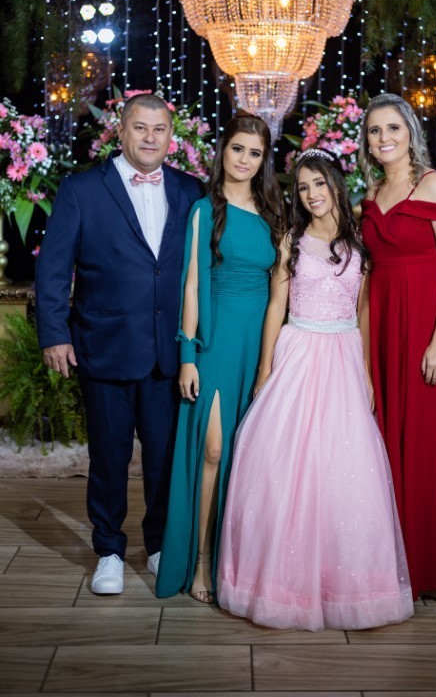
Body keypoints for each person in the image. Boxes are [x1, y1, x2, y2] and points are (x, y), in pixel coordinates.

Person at [216, 148, 414, 631]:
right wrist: (265, 368)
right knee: (282, 461)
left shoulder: (360, 240)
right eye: (303, 187)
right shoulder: (291, 239)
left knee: (345, 467)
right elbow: (276, 304)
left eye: (318, 183)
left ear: (335, 184)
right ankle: (280, 585)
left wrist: (366, 371)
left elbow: (363, 309)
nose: (311, 194)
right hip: (299, 350)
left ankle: (344, 585)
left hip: (343, 354)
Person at [34, 92, 204, 595]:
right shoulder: (82, 189)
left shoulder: (191, 189)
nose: (151, 138)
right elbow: (53, 267)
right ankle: (108, 550)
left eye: (160, 129)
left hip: (168, 351)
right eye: (141, 128)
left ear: (171, 136)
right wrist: (54, 333)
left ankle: (158, 545)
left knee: (164, 458)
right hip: (103, 345)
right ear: (121, 130)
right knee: (108, 458)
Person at [155, 110, 285, 603]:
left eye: (255, 153)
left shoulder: (275, 215)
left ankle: (240, 565)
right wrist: (187, 354)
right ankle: (201, 562)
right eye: (238, 149)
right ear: (223, 150)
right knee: (211, 450)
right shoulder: (204, 210)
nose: (245, 160)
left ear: (263, 160)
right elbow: (191, 284)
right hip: (214, 342)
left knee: (250, 458)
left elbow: (283, 290)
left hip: (260, 343)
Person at [359, 92, 436, 602]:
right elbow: (366, 278)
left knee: (426, 445)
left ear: (410, 133)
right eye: (374, 130)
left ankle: (431, 566)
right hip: (383, 328)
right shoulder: (371, 192)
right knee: (384, 441)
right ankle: (391, 561)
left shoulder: (434, 185)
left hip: (429, 328)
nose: (384, 138)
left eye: (393, 128)